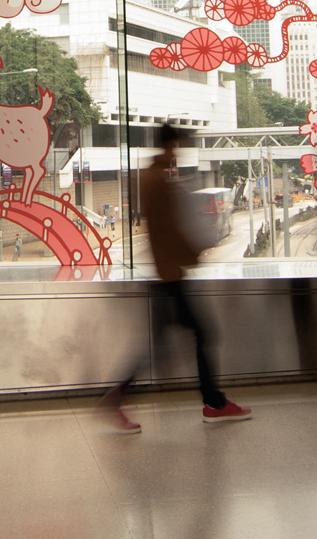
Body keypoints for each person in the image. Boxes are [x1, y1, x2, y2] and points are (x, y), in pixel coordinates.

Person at [97, 123, 251, 432]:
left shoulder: (154, 177)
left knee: (161, 346)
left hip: (166, 276)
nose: (178, 154)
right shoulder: (158, 182)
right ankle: (213, 403)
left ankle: (117, 399)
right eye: (177, 147)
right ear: (170, 145)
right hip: (170, 278)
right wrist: (193, 254)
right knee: (205, 335)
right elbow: (170, 231)